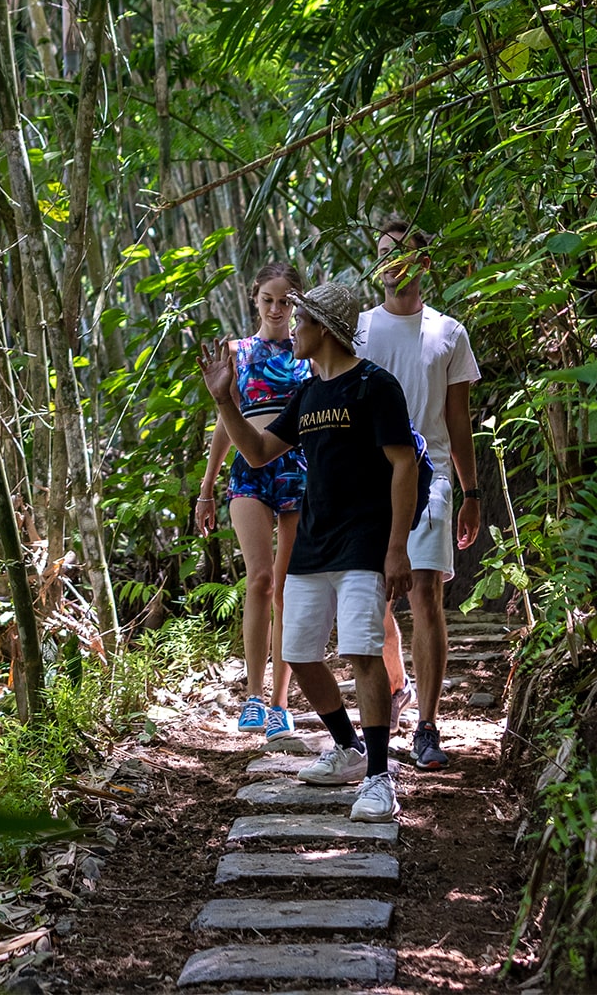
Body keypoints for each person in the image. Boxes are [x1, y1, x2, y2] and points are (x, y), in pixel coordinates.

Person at [199, 281, 417, 823]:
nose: (292, 329)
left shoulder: (374, 385)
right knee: (298, 651)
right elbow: (257, 452)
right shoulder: (309, 393)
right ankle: (347, 748)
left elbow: (404, 464)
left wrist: (396, 547)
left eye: (301, 321)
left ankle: (379, 778)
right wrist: (224, 399)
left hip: (363, 542)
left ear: (324, 329)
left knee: (362, 653)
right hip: (314, 545)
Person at [356, 219, 481, 771]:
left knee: (425, 593)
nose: (392, 262)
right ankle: (394, 686)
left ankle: (427, 726)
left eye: (402, 253)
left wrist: (472, 490)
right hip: (368, 482)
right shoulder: (358, 330)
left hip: (432, 477)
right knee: (372, 598)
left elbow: (458, 419)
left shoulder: (448, 332)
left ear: (423, 263)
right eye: (384, 253)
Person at [197, 262, 310, 743]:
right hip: (249, 473)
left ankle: (281, 704)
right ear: (255, 299)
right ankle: (253, 696)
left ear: (296, 303)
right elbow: (227, 422)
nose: (276, 309)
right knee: (259, 580)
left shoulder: (308, 352)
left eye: (285, 301)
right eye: (268, 300)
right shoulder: (237, 352)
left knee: (286, 587)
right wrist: (207, 487)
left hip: (299, 470)